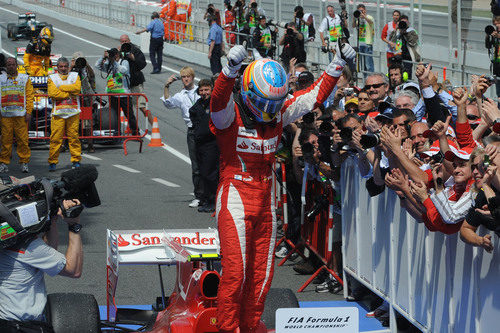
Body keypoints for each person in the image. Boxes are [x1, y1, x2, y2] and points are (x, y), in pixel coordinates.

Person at [210, 42, 355, 332]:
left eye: (273, 104)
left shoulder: (278, 112)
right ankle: (227, 328)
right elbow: (217, 102)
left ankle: (251, 325)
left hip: (266, 198)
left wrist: (337, 63)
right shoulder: (229, 115)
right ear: (249, 91)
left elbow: (312, 97)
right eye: (263, 103)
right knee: (236, 273)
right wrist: (228, 72)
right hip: (235, 196)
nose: (268, 110)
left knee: (262, 274)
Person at [0, 199, 83, 329]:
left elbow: (49, 253)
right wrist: (74, 226)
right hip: (23, 327)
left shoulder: (6, 241)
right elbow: (74, 270)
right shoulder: (27, 247)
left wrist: (52, 220)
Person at [162, 67, 202, 208]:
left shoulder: (200, 91)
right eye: (183, 77)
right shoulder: (181, 95)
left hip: (205, 130)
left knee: (209, 164)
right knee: (196, 166)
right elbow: (168, 103)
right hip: (192, 131)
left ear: (192, 77)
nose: (186, 79)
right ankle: (198, 196)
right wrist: (167, 86)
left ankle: (212, 195)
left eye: (188, 76)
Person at [189, 79, 219, 213]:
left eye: (206, 90)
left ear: (211, 90)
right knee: (202, 172)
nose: (204, 93)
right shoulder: (199, 104)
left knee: (210, 173)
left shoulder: (214, 104)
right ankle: (206, 199)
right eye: (201, 90)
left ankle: (213, 201)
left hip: (212, 143)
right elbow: (192, 112)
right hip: (200, 143)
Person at [47, 57, 82, 172]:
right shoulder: (52, 77)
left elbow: (77, 89)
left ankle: (76, 160)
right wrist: (68, 94)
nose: (63, 68)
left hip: (73, 113)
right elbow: (53, 93)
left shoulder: (75, 76)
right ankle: (53, 162)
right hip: (58, 114)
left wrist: (61, 87)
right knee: (55, 139)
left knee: (74, 138)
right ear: (57, 67)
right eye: (61, 66)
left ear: (68, 67)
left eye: (65, 66)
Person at [95, 48, 140, 136]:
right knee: (114, 116)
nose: (112, 56)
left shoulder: (124, 62)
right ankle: (116, 133)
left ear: (118, 54)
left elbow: (124, 70)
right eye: (111, 54)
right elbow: (97, 66)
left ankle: (136, 132)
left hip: (124, 94)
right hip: (113, 94)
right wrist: (103, 57)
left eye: (114, 54)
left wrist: (114, 62)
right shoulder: (109, 64)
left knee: (129, 115)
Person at [0, 57, 33, 173]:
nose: (11, 66)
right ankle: (3, 162)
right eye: (8, 65)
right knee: (5, 140)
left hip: (20, 115)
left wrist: (29, 112)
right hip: (5, 115)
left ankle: (24, 162)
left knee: (23, 140)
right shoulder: (1, 78)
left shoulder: (24, 78)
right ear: (6, 66)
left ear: (16, 65)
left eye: (13, 64)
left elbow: (29, 96)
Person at [119, 34, 153, 126]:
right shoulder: (120, 51)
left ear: (129, 40)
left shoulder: (135, 50)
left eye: (126, 41)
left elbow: (143, 64)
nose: (124, 43)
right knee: (127, 108)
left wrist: (133, 58)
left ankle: (154, 126)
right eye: (122, 41)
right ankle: (133, 127)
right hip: (124, 85)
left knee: (142, 106)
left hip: (135, 83)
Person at [70, 51, 96, 153]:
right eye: (78, 60)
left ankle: (90, 144)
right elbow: (64, 77)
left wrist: (87, 65)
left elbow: (93, 76)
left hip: (86, 98)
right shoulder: (70, 70)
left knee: (87, 122)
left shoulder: (87, 70)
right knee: (73, 122)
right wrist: (71, 66)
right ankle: (71, 143)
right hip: (74, 99)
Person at [352, 4, 374, 75]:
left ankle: (371, 80)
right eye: (360, 11)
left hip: (368, 44)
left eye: (362, 10)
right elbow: (353, 26)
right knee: (363, 66)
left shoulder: (369, 17)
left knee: (369, 65)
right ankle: (365, 81)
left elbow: (371, 22)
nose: (361, 12)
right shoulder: (358, 19)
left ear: (365, 10)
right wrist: (354, 17)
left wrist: (364, 17)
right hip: (361, 44)